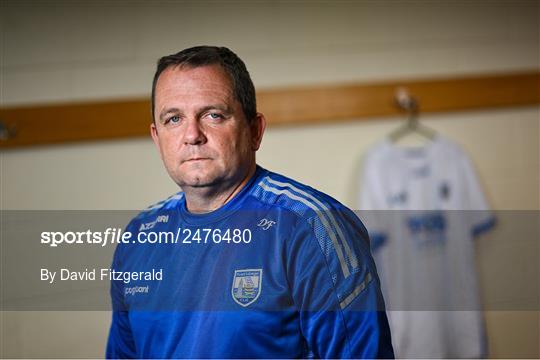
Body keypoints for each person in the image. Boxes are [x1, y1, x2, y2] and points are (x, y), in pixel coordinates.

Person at [106, 45, 394, 359]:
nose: (192, 135)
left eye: (213, 115)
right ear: (156, 137)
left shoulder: (311, 228)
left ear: (254, 131)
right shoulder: (139, 237)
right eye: (173, 119)